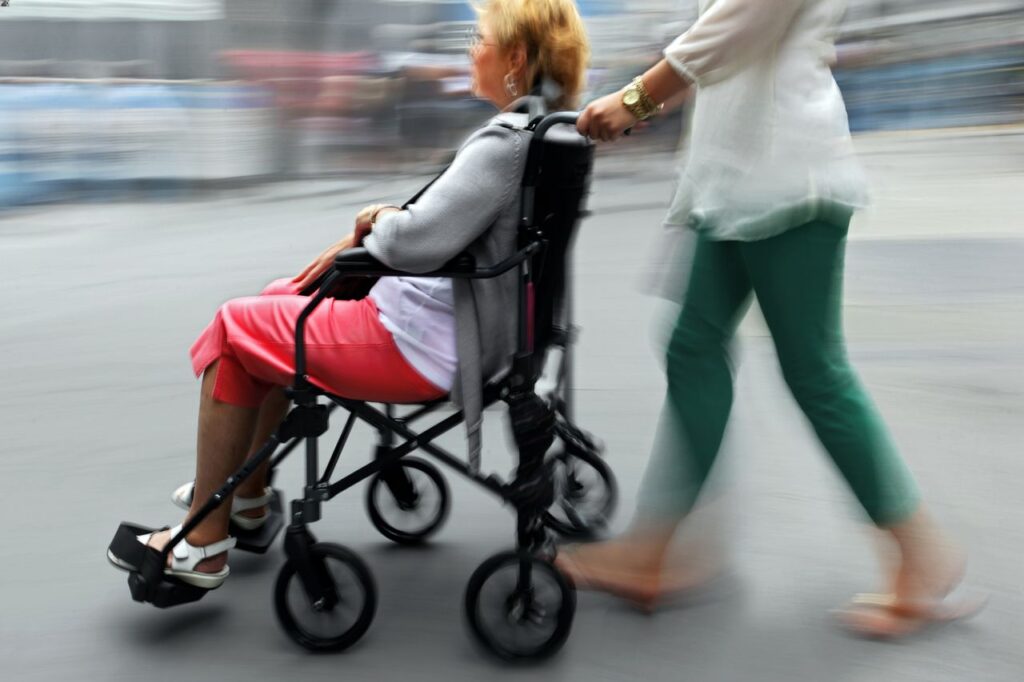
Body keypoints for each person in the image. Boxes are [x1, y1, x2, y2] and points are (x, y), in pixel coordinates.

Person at [107, 0, 589, 591]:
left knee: (236, 325)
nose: (470, 49)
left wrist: (375, 214)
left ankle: (204, 543)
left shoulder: (504, 143)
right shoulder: (554, 132)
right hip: (481, 331)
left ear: (515, 56)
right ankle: (247, 502)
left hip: (426, 344)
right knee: (278, 298)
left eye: (479, 37)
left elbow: (413, 238)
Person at [555, 0, 983, 638]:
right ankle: (658, 550)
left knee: (814, 370)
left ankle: (920, 555)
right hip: (737, 175)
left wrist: (638, 99)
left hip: (784, 178)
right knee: (692, 345)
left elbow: (742, 19)